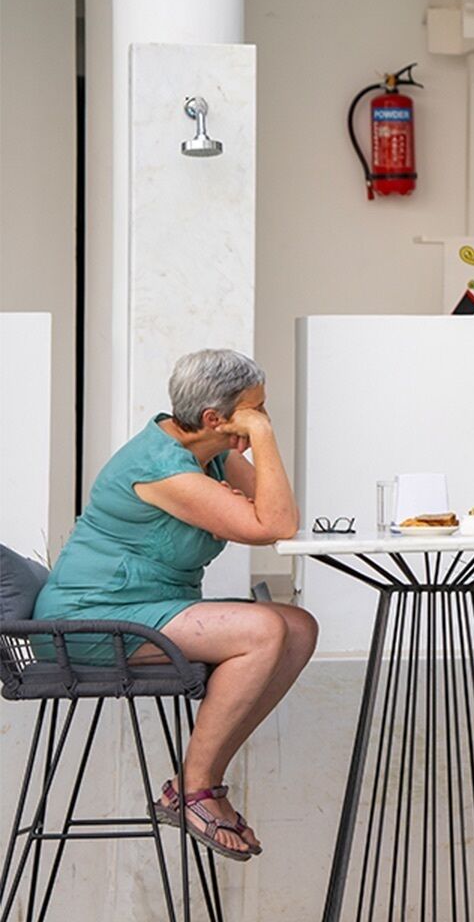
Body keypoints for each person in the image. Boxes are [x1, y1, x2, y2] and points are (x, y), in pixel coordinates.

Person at [32, 349, 315, 862]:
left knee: (297, 627)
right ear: (215, 418)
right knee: (263, 631)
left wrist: (248, 452)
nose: (262, 420)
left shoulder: (211, 452)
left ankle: (200, 783)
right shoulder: (161, 468)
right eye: (256, 410)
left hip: (152, 608)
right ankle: (194, 789)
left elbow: (277, 513)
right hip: (88, 620)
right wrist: (266, 439)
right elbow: (274, 526)